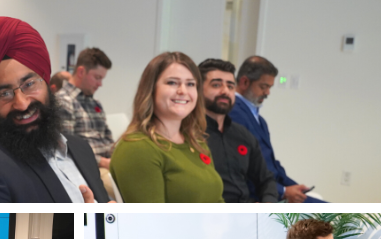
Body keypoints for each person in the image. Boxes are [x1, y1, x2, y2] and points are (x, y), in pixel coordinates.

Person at [0, 17, 109, 203]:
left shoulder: (81, 149)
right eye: (4, 94)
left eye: (29, 84)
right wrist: (81, 227)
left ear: (47, 81)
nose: (22, 104)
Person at [109, 51, 224, 202]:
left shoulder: (196, 142)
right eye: (172, 82)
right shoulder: (138, 148)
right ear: (151, 89)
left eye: (190, 84)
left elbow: (217, 202)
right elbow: (153, 223)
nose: (183, 91)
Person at [228, 56, 323, 203]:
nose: (267, 93)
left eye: (269, 87)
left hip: (274, 189)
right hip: (262, 196)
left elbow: (271, 163)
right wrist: (284, 191)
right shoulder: (234, 114)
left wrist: (292, 186)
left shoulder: (260, 120)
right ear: (244, 82)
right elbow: (243, 169)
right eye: (263, 86)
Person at [198, 58, 277, 203]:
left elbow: (266, 180)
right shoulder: (188, 135)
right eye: (216, 85)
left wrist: (267, 208)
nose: (225, 91)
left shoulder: (243, 135)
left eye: (230, 86)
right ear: (197, 90)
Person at [56, 47, 115, 168]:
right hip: (88, 168)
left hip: (109, 164)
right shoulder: (63, 101)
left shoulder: (95, 104)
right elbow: (68, 149)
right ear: (81, 72)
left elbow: (109, 140)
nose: (100, 84)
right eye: (97, 77)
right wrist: (103, 162)